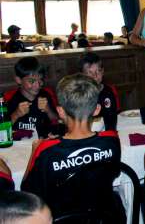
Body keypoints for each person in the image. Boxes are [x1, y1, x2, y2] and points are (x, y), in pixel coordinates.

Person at [21, 73, 122, 220]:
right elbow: (113, 172)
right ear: (97, 109)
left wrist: (34, 151)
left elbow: (27, 193)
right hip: (105, 217)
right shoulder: (112, 140)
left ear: (60, 112)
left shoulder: (47, 150)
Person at [6, 57, 58, 138]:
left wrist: (48, 111)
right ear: (18, 80)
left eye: (40, 80)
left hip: (43, 142)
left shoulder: (46, 95)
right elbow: (3, 129)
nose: (37, 85)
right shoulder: (10, 99)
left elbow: (56, 120)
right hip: (18, 145)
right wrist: (15, 115)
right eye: (31, 81)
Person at [79, 52, 120, 130]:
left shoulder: (108, 92)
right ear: (82, 75)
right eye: (90, 72)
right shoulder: (78, 94)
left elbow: (112, 119)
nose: (95, 76)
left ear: (103, 71)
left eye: (98, 71)